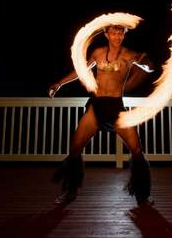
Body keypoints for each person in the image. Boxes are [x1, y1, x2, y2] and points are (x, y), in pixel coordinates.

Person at [49, 24, 153, 206]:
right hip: (96, 106)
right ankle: (70, 191)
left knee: (137, 150)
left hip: (116, 107)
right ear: (107, 34)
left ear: (124, 35)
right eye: (113, 33)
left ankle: (142, 195)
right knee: (74, 148)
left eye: (120, 33)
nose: (117, 36)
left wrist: (146, 63)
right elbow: (81, 71)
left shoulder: (129, 55)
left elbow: (149, 68)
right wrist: (59, 83)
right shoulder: (98, 53)